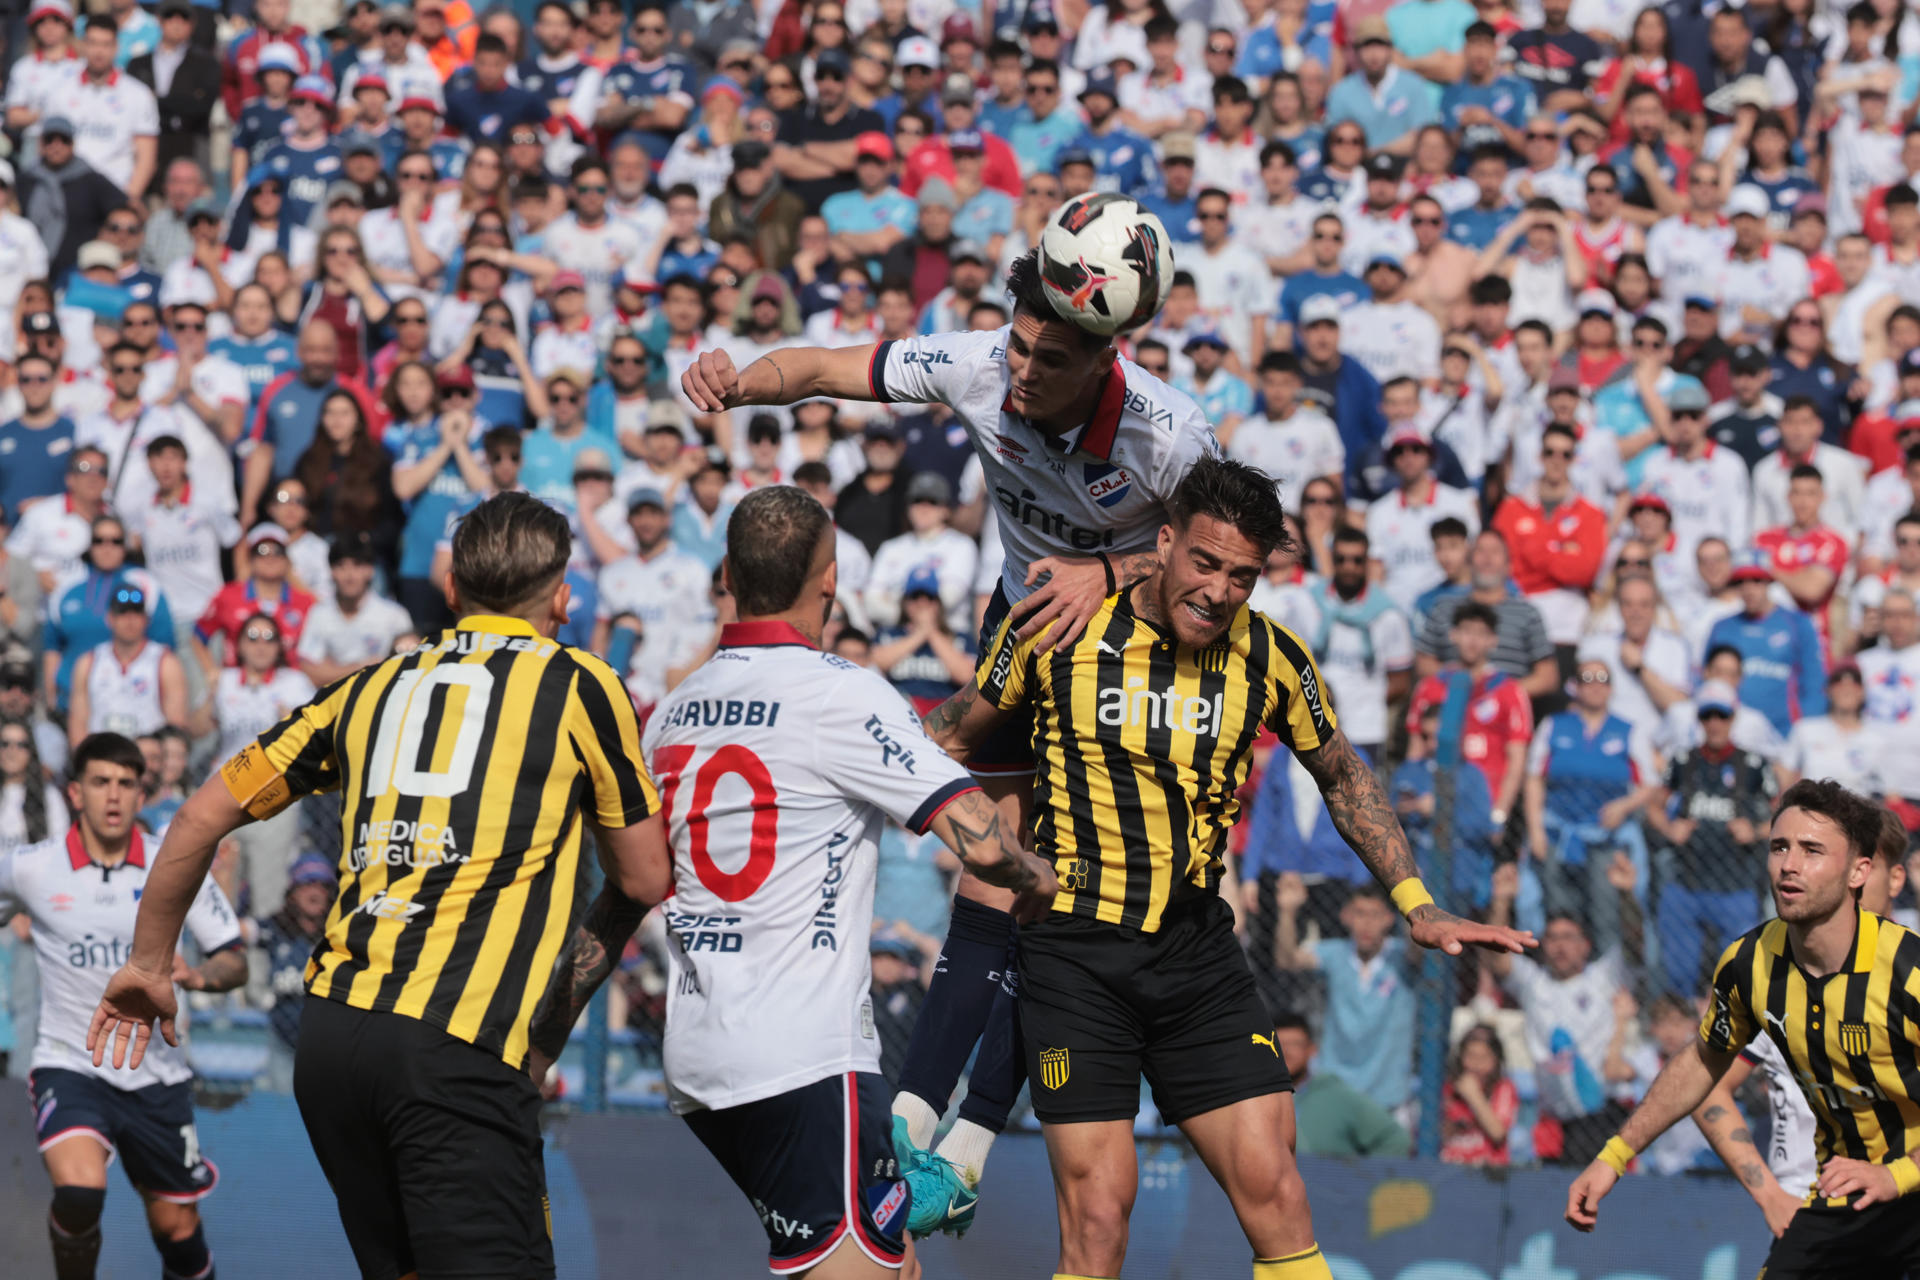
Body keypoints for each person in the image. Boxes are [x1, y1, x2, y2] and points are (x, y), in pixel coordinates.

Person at [681, 249, 1224, 1204]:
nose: (1020, 372)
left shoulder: (1170, 432)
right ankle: (912, 1123)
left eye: (1046, 360)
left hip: (1130, 665)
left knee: (1068, 904)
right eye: (1016, 347)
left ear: (1106, 361)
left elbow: (1231, 552)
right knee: (993, 879)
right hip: (1020, 632)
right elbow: (818, 369)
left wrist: (1111, 571)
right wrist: (738, 378)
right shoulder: (975, 364)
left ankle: (975, 1133)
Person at [921, 456, 1531, 1275]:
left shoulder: (1270, 655)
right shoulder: (1059, 631)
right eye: (1204, 563)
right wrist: (996, 854)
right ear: (1162, 544)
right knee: (1099, 1218)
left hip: (1196, 956)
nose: (1217, 590)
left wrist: (1417, 901)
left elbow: (1344, 773)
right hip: (1073, 955)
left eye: (1241, 576)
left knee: (1275, 1190)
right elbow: (944, 745)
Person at [88, 493, 672, 1280]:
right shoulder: (580, 684)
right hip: (455, 1048)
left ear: (454, 591)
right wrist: (541, 1036)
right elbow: (644, 876)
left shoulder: (371, 686)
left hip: (331, 1045)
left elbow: (196, 817)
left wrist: (150, 963)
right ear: (563, 595)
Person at [535, 485, 1053, 1271]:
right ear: (831, 582)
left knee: (893, 1260)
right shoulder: (840, 695)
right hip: (803, 1062)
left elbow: (627, 892)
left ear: (729, 581)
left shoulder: (676, 709)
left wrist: (542, 1040)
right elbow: (982, 843)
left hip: (701, 1059)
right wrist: (1039, 875)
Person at [1567, 780, 1920, 1280]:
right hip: (1847, 1197)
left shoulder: (1910, 972)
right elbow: (1702, 1062)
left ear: (1859, 871)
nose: (1789, 865)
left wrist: (1897, 1173)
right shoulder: (1750, 963)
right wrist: (1613, 1156)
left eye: (1812, 850)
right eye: (1780, 847)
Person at [4, 732, 245, 1280]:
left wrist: (197, 974)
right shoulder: (32, 868)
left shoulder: (176, 862)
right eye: (100, 782)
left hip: (157, 1073)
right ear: (74, 792)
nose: (113, 796)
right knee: (79, 1191)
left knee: (178, 1232)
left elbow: (235, 959)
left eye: (126, 784)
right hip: (71, 1062)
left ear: (142, 794)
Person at [1689, 805, 1910, 1240]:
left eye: (1862, 869)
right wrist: (1771, 1193)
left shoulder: (1911, 974)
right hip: (1815, 1207)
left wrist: (1900, 1174)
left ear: (1889, 876)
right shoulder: (1775, 976)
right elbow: (1704, 1084)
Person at [1487, 856, 1645, 1165]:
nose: (1560, 946)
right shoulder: (1533, 983)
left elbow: (1634, 942)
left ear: (1586, 944)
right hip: (1553, 1119)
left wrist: (1627, 895)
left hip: (1603, 1115)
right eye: (1553, 938)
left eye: (1569, 938)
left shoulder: (1605, 976)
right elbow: (1498, 959)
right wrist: (1501, 901)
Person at [1643, 681, 1780, 997]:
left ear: (1732, 718)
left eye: (1722, 715)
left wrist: (1757, 830)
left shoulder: (1753, 764)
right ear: (1699, 721)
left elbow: (1783, 813)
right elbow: (1654, 806)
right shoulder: (1683, 760)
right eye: (1708, 716)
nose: (1715, 723)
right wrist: (1669, 828)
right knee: (1678, 977)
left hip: (1737, 886)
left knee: (1736, 980)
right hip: (1686, 883)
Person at [1273, 876, 1419, 1117]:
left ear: (1389, 919)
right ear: (1346, 917)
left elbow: (1419, 949)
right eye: (1359, 913)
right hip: (1337, 1090)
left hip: (1389, 1095)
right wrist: (1287, 911)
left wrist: (1411, 902)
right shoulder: (1335, 953)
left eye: (1375, 915)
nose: (1366, 923)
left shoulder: (1402, 957)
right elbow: (1287, 959)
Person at [1274, 1013, 1412, 1158]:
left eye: (1295, 1044)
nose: (1286, 1052)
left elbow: (1394, 1139)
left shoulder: (1336, 1095)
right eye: (1279, 1044)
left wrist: (1362, 1177)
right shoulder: (1256, 1097)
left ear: (1311, 1049)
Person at [67, 585, 187, 750]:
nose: (130, 620)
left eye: (137, 613)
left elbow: (175, 724)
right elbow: (78, 721)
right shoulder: (89, 662)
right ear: (110, 618)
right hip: (101, 755)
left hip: (147, 759)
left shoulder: (165, 662)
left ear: (146, 620)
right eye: (123, 613)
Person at [1441, 1024, 1520, 1167]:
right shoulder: (1448, 1088)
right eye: (1470, 1056)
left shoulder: (1504, 1088)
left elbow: (1498, 1133)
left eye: (1484, 1058)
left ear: (1496, 1061)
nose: (1476, 1065)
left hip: (1488, 1172)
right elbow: (1439, 1134)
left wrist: (1474, 1096)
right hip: (1450, 1166)